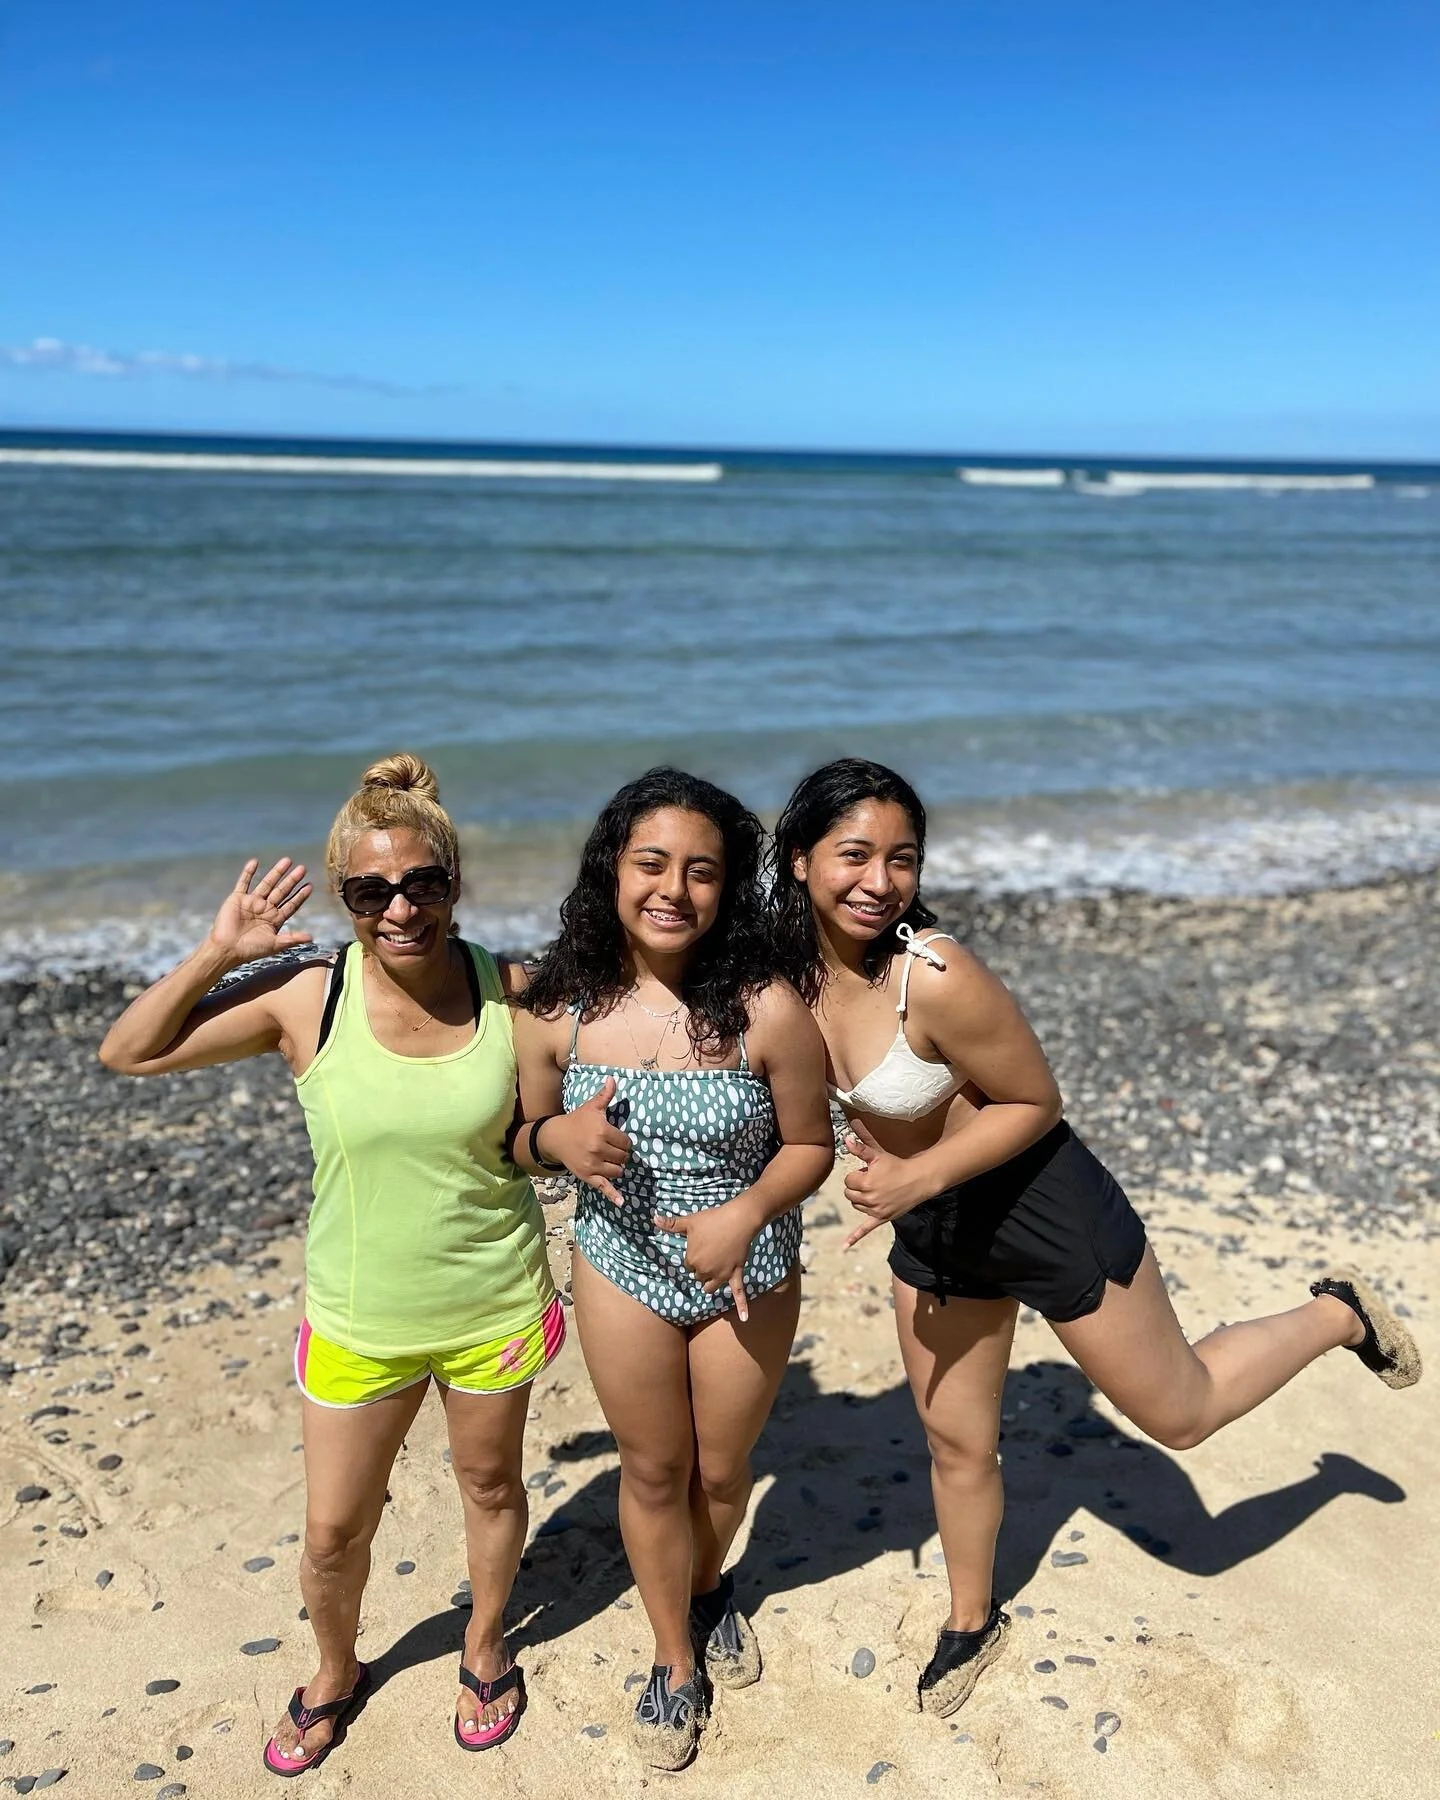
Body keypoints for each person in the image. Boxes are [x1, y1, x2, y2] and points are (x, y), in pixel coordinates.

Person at [769, 756, 1421, 1718]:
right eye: (853, 854)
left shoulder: (935, 975)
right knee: (957, 1442)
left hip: (1040, 1202)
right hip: (938, 1224)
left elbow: (1036, 1100)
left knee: (1183, 1414)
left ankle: (1336, 1315)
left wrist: (915, 1173)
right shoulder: (778, 972)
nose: (878, 880)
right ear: (797, 861)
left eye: (901, 858)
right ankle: (969, 1619)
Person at [99, 754, 563, 1774]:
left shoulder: (513, 992)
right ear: (348, 898)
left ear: (454, 882)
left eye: (423, 884)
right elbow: (126, 1053)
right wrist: (219, 952)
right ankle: (335, 1668)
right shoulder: (306, 999)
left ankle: (484, 1647)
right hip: (358, 1318)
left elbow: (648, 1034)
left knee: (490, 1486)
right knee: (330, 1536)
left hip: (495, 1299)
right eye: (371, 891)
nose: (400, 908)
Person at [510, 768, 832, 1770]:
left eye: (702, 871)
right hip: (620, 1267)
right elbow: (513, 1138)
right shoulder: (556, 1008)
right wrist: (555, 1138)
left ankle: (705, 1588)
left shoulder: (767, 1007)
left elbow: (810, 1147)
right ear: (613, 868)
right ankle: (671, 1659)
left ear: (726, 887)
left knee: (724, 1468)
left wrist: (747, 1212)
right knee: (654, 1468)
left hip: (751, 1273)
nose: (674, 889)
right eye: (652, 863)